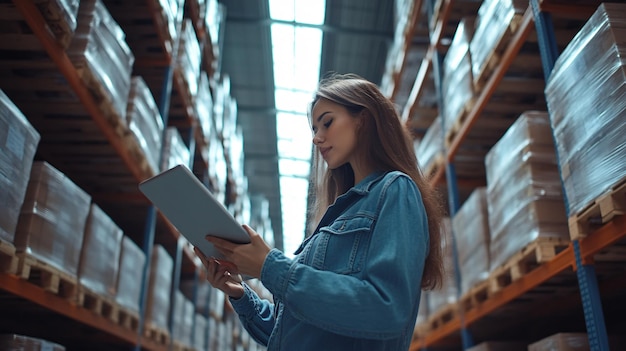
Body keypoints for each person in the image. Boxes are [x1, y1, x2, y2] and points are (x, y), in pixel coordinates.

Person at [195, 73, 445, 351]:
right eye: (314, 129)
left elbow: (387, 307)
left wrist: (270, 266)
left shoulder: (395, 190)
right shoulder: (337, 215)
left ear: (363, 119)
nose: (317, 138)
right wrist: (241, 295)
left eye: (327, 122)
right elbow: (291, 334)